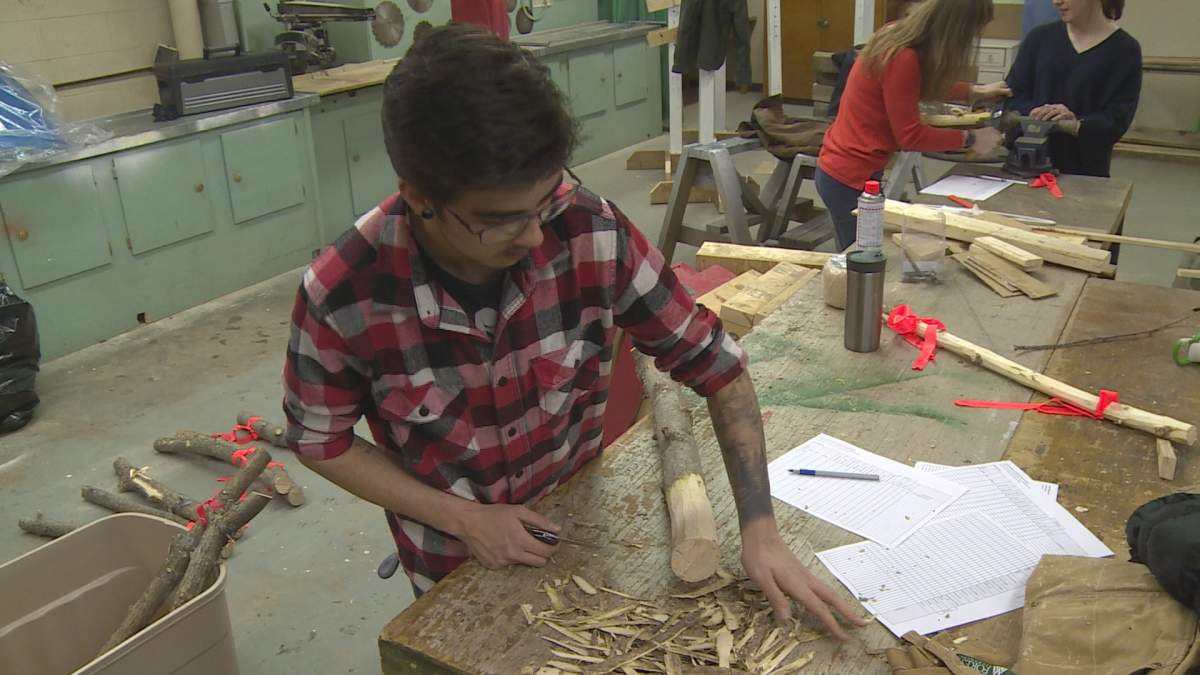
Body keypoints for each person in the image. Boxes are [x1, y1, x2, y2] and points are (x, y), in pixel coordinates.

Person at [281, 25, 867, 639]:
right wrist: (460, 517)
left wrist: (760, 529)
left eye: (544, 202)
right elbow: (320, 440)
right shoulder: (343, 292)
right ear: (419, 197)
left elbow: (718, 367)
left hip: (585, 535)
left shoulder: (588, 229)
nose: (536, 237)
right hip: (454, 563)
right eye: (501, 221)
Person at [816, 0, 1009, 251]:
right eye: (971, 33)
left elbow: (913, 84)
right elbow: (911, 137)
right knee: (863, 259)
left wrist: (975, 91)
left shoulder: (896, 34)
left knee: (868, 253)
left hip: (846, 169)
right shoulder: (902, 56)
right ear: (955, 28)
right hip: (849, 177)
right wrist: (971, 138)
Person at [1004, 0, 1141, 177]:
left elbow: (1117, 119)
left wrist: (1073, 121)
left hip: (1084, 172)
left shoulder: (1125, 50)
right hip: (1024, 168)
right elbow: (1012, 97)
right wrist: (1038, 113)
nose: (1056, 1)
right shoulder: (1038, 38)